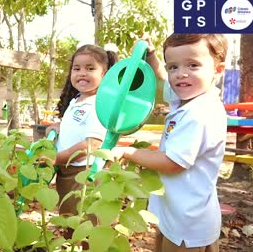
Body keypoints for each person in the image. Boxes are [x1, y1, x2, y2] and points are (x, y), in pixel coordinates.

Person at [113, 34, 228, 252]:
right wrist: (152, 57)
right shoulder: (188, 97)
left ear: (218, 70)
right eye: (173, 67)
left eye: (193, 65)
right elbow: (162, 79)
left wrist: (127, 153)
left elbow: (173, 162)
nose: (181, 74)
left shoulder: (200, 113)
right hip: (175, 214)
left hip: (188, 225)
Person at [46, 44, 118, 219]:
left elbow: (91, 145)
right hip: (66, 170)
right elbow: (77, 127)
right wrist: (59, 128)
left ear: (105, 74)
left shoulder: (98, 104)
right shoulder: (78, 99)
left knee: (85, 224)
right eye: (76, 68)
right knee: (68, 218)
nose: (82, 73)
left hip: (85, 174)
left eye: (90, 68)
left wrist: (56, 158)